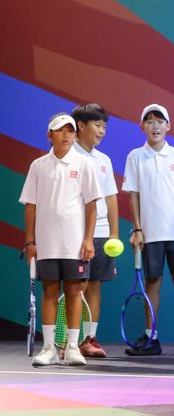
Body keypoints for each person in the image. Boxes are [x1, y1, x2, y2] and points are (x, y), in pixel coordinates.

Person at [21, 113, 100, 366]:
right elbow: (30, 205)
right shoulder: (38, 166)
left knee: (74, 292)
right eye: (60, 130)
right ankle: (49, 348)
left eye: (70, 130)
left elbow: (91, 206)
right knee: (50, 292)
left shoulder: (84, 164)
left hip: (74, 244)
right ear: (49, 135)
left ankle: (73, 347)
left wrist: (88, 240)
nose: (65, 135)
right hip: (46, 244)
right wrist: (30, 241)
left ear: (75, 135)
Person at [123, 103, 174, 356]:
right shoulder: (135, 157)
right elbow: (134, 195)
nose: (155, 126)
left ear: (168, 126)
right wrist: (137, 229)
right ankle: (151, 337)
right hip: (150, 233)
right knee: (152, 282)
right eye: (150, 121)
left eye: (159, 121)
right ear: (142, 126)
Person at [71, 103, 120, 358]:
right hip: (74, 233)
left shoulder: (104, 160)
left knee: (95, 286)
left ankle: (89, 339)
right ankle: (69, 341)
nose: (102, 131)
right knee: (77, 286)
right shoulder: (68, 156)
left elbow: (111, 197)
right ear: (81, 125)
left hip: (101, 233)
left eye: (104, 126)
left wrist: (114, 233)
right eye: (97, 125)